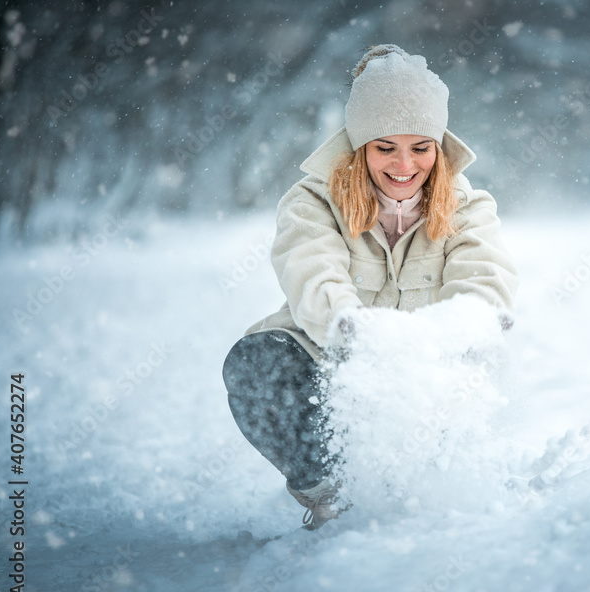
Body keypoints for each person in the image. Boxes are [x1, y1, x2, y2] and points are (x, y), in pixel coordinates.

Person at [222, 44, 519, 529]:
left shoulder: (468, 206)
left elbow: (483, 272)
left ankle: (430, 497)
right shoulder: (312, 202)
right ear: (360, 147)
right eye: (385, 147)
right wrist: (348, 326)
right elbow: (310, 267)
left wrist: (473, 321)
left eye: (421, 147)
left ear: (439, 148)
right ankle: (332, 496)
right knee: (256, 363)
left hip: (427, 377)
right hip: (332, 366)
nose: (404, 165)